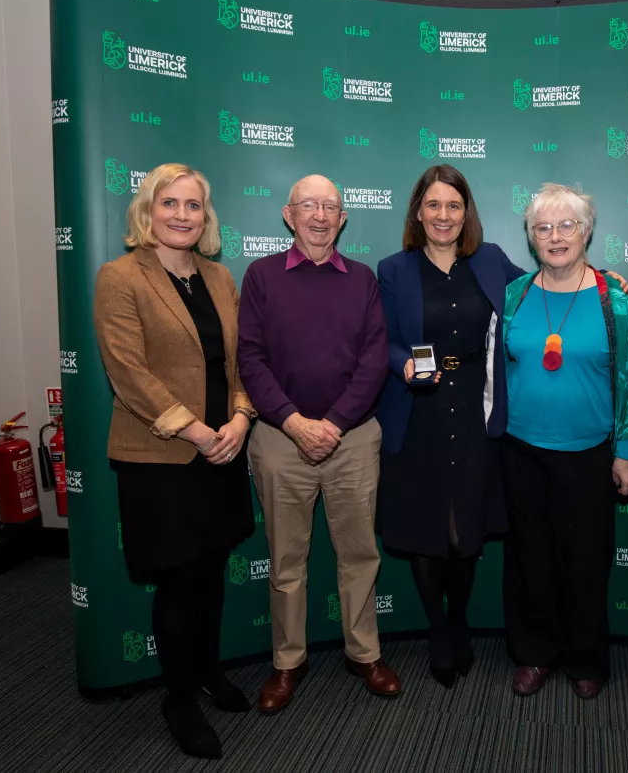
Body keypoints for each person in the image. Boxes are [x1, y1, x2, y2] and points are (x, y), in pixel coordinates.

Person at [94, 163, 256, 759]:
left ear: (205, 217)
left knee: (211, 570)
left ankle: (208, 671)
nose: (182, 215)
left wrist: (239, 418)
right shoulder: (120, 276)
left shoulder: (218, 276)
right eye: (170, 203)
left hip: (223, 446)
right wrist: (195, 432)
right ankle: (179, 698)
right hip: (163, 455)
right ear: (148, 210)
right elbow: (127, 372)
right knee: (180, 577)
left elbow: (242, 361)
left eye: (193, 206)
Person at [237, 174, 399, 713]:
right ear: (289, 215)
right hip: (281, 439)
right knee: (286, 559)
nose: (320, 215)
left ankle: (364, 652)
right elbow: (251, 360)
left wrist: (332, 423)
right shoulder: (261, 276)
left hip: (352, 438)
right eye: (309, 205)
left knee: (359, 553)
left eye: (330, 206)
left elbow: (375, 358)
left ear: (343, 218)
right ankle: (288, 662)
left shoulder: (362, 279)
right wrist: (294, 422)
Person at [500, 183, 628, 700]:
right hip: (521, 450)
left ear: (587, 231)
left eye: (567, 225)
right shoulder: (516, 293)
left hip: (589, 455)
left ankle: (585, 658)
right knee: (530, 560)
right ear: (531, 238)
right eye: (543, 228)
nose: (555, 236)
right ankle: (534, 654)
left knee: (586, 561)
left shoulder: (615, 301)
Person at [375, 165, 522, 688]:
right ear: (418, 211)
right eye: (433, 206)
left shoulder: (491, 260)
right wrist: (402, 364)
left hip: (476, 406)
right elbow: (384, 340)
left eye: (453, 206)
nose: (443, 216)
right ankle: (438, 628)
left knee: (466, 529)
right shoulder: (393, 270)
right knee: (424, 527)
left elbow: (538, 294)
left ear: (467, 213)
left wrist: (597, 281)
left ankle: (457, 617)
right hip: (419, 409)